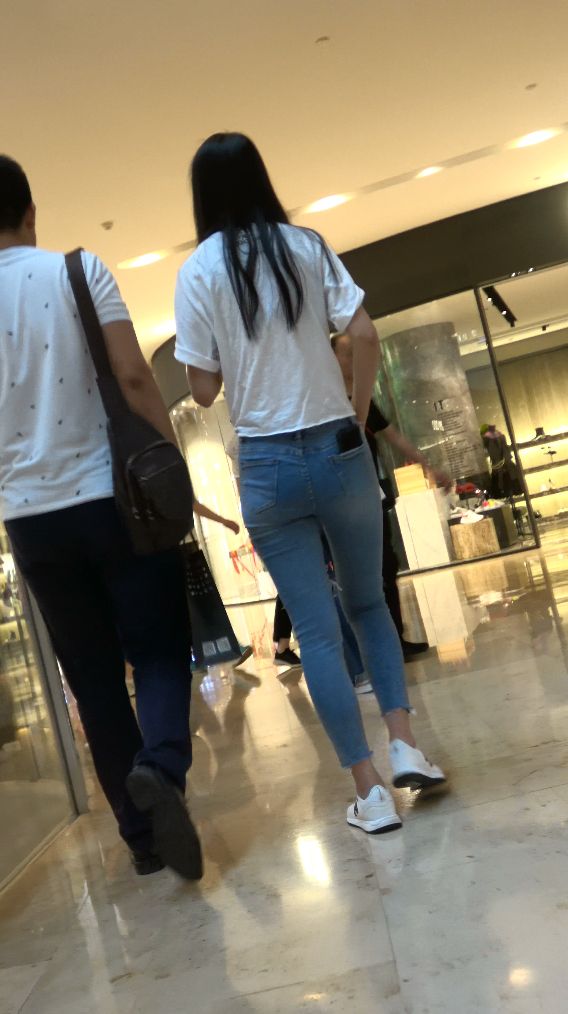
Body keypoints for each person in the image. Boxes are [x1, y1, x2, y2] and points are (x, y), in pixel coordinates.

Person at [175, 133, 445, 835]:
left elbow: (201, 390)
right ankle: (405, 744)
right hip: (337, 447)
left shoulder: (199, 270)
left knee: (319, 636)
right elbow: (363, 335)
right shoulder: (306, 246)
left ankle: (369, 792)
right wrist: (354, 415)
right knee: (370, 605)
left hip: (266, 468)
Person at [0, 156, 202, 879]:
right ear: (31, 211)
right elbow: (135, 376)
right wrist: (173, 467)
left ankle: (143, 840)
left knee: (91, 677)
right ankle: (162, 766)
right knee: (158, 648)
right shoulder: (79, 272)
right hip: (116, 498)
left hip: (31, 521)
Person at [331, 332, 452, 690]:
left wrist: (429, 467)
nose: (354, 359)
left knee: (387, 565)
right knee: (356, 576)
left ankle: (395, 639)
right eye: (347, 353)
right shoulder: (327, 402)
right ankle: (365, 652)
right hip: (340, 500)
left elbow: (393, 436)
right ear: (332, 358)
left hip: (371, 493)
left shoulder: (363, 400)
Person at [226, 434, 301, 669]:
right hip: (280, 518)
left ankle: (283, 645)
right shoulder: (249, 439)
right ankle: (284, 645)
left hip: (264, 520)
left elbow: (242, 490)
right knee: (294, 581)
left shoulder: (237, 443)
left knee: (290, 582)